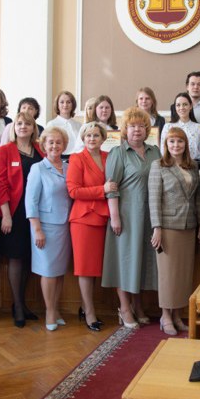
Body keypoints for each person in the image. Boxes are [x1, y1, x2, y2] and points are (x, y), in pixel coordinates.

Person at [103, 107, 161, 328]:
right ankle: (124, 308)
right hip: (126, 216)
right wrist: (115, 217)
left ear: (147, 130)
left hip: (149, 217)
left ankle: (138, 306)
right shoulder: (118, 154)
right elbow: (111, 188)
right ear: (125, 129)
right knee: (124, 262)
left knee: (142, 261)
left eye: (141, 126)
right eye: (132, 126)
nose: (137, 130)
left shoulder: (155, 152)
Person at [149, 127, 200, 335]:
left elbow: (198, 198)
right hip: (167, 228)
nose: (176, 145)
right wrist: (157, 228)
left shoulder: (192, 167)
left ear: (185, 144)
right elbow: (154, 200)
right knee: (168, 275)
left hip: (188, 227)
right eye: (172, 142)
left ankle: (177, 315)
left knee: (183, 275)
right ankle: (165, 315)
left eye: (179, 142)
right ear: (166, 144)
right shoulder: (159, 166)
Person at [0, 112, 44, 328]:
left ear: (34, 128)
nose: (23, 126)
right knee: (15, 258)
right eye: (19, 123)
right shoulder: (4, 150)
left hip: (35, 213)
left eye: (28, 124)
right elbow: (1, 184)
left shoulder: (40, 151)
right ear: (13, 127)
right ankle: (17, 306)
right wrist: (5, 215)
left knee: (27, 258)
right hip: (13, 213)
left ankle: (22, 304)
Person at [66, 122, 116, 331]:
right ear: (83, 138)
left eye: (96, 135)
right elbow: (73, 191)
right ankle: (89, 312)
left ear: (103, 138)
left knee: (97, 268)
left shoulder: (109, 157)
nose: (92, 139)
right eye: (88, 135)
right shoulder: (77, 158)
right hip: (84, 220)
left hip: (105, 217)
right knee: (86, 269)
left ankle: (87, 307)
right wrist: (101, 190)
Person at [26, 127, 73, 331]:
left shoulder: (69, 167)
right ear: (43, 145)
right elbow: (31, 201)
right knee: (48, 271)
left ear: (64, 145)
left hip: (65, 225)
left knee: (59, 271)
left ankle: (56, 308)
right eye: (51, 142)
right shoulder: (38, 168)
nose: (55, 146)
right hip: (44, 226)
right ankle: (49, 311)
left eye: (58, 142)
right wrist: (37, 229)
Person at [161, 92, 200, 161]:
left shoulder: (199, 128)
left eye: (185, 104)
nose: (181, 108)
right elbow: (163, 151)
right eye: (178, 105)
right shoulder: (168, 127)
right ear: (175, 108)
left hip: (193, 167)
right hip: (171, 166)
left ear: (190, 106)